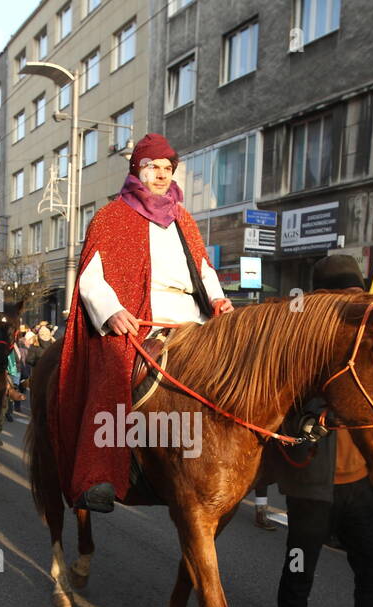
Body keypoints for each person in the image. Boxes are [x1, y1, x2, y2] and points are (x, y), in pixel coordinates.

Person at [52, 132, 233, 513]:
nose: (162, 175)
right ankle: (100, 474)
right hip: (139, 317)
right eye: (154, 167)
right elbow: (91, 277)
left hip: (192, 318)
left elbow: (203, 267)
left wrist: (217, 297)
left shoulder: (183, 219)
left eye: (168, 169)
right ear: (138, 169)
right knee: (112, 370)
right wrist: (111, 311)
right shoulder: (111, 216)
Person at [262, 254, 373, 607]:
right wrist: (314, 412)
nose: (353, 305)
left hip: (360, 483)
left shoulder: (369, 344)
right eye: (344, 298)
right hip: (313, 485)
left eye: (357, 298)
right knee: (301, 571)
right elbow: (277, 404)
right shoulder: (303, 345)